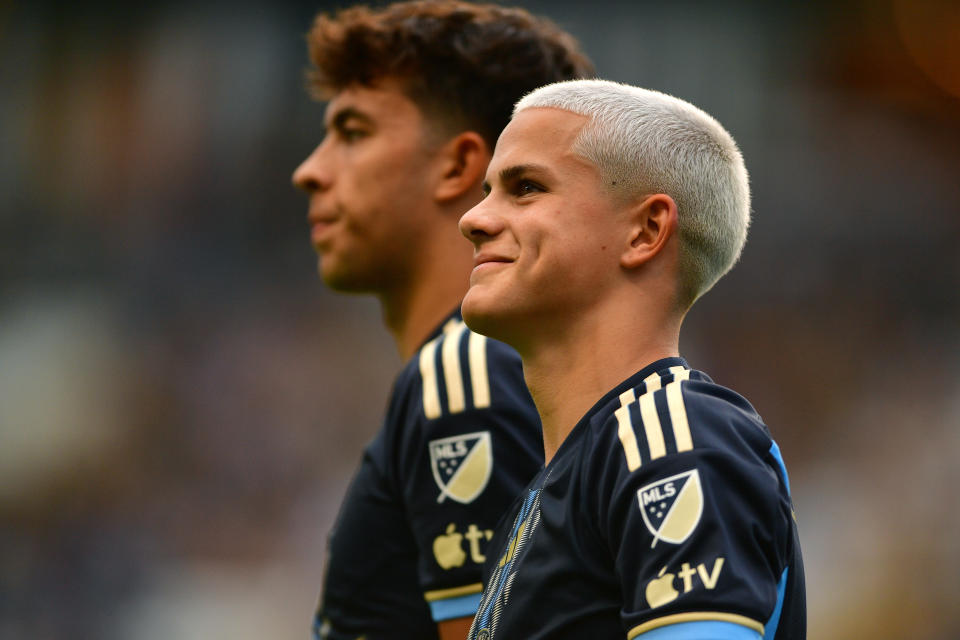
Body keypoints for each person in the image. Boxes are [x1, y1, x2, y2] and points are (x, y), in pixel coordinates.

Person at [458, 79, 806, 639]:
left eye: (525, 187)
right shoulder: (549, 494)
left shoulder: (671, 438)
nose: (473, 219)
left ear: (645, 231)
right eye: (487, 190)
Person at [291, 3, 593, 639]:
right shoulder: (504, 369)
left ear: (458, 166)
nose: (309, 171)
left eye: (352, 131)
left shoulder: (464, 374)